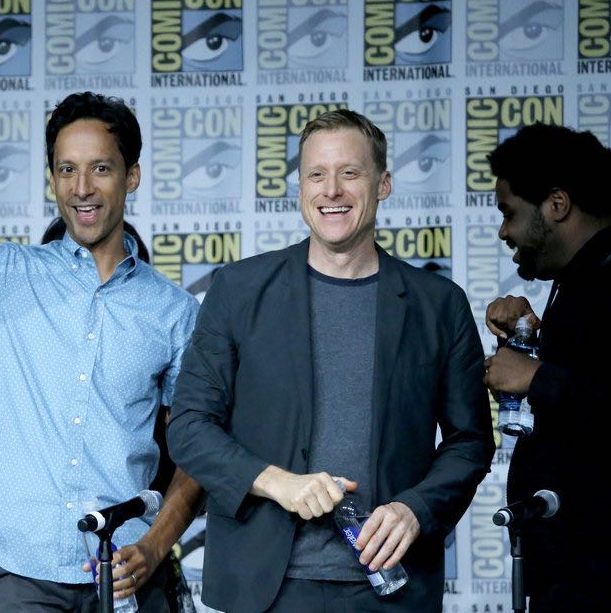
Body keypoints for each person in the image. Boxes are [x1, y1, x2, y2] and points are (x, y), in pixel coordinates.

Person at [0, 66, 201, 611]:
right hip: (20, 569)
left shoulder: (174, 311)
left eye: (101, 168)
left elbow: (197, 448)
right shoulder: (5, 274)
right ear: (51, 179)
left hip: (121, 573)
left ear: (132, 176)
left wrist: (155, 543)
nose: (82, 188)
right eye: (66, 169)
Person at [167, 109, 494, 612]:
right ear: (300, 187)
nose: (332, 190)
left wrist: (416, 508)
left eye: (350, 173)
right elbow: (189, 426)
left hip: (390, 587)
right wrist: (277, 481)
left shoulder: (439, 304)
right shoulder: (238, 289)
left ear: (382, 184)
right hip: (264, 586)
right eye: (317, 175)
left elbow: (469, 441)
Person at [483, 124, 611, 611]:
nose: (503, 231)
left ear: (556, 205)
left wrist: (536, 377)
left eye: (509, 213)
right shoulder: (580, 279)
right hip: (574, 573)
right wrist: (533, 340)